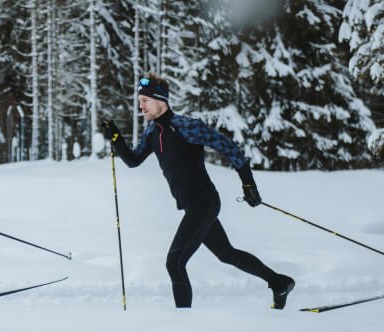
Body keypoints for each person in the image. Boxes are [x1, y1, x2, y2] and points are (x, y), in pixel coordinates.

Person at [103, 73, 295, 309]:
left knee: (174, 262)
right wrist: (115, 137)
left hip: (204, 203)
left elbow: (227, 146)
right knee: (226, 254)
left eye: (145, 100)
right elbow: (133, 160)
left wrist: (248, 183)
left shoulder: (185, 127)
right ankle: (279, 282)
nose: (140, 105)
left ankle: (183, 324)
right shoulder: (152, 132)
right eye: (139, 100)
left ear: (160, 100)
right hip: (194, 206)